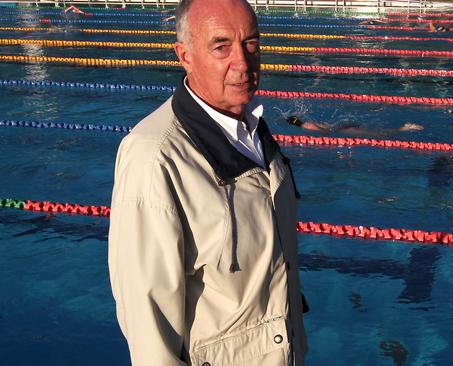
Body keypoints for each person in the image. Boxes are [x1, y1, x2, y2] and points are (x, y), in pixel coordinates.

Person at [108, 0, 308, 365]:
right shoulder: (155, 157)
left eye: (251, 43)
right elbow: (147, 316)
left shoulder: (252, 132)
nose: (243, 63)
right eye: (221, 47)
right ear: (184, 55)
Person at [286, 116, 424, 136]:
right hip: (344, 127)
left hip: (344, 131)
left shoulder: (307, 127)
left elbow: (327, 132)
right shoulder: (308, 122)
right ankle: (404, 128)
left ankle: (405, 128)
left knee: (376, 134)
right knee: (375, 132)